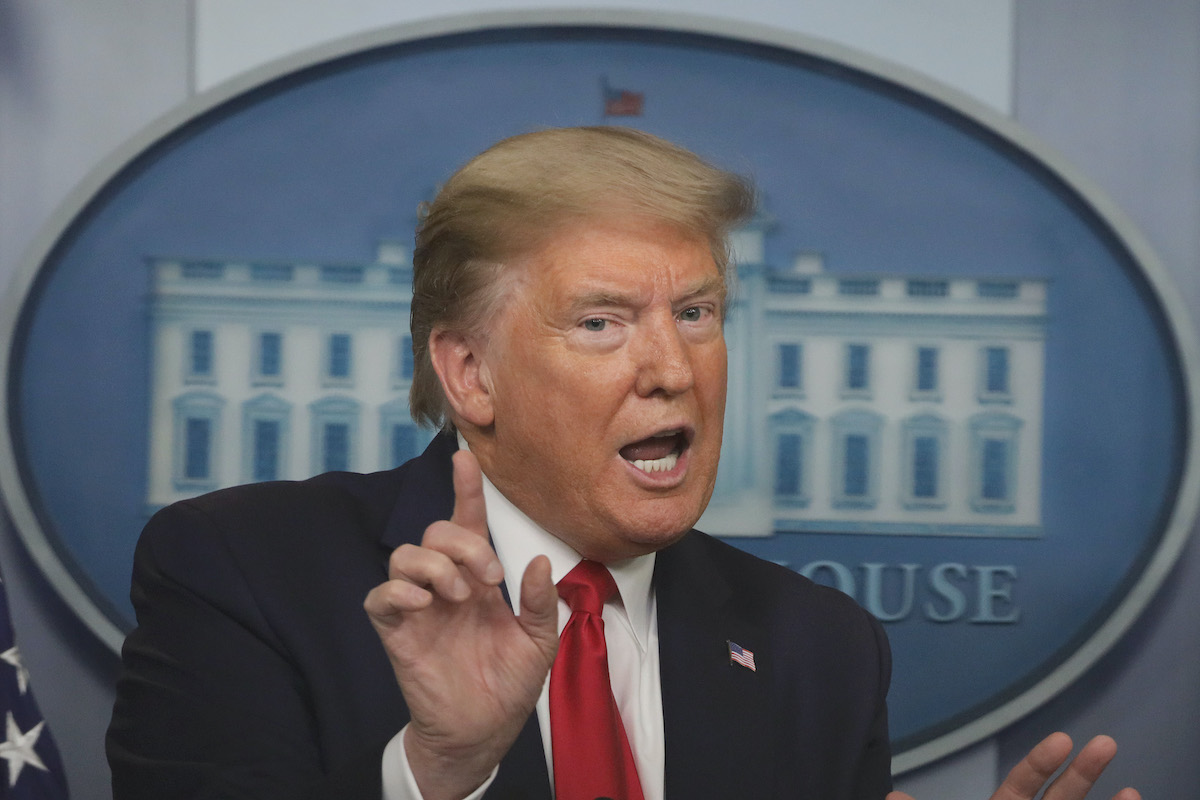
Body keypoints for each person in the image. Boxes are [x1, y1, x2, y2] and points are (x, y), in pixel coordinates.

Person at [107, 126, 1139, 800]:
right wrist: (437, 771)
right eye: (601, 322)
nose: (672, 369)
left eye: (696, 313)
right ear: (470, 373)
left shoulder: (820, 647)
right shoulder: (243, 572)